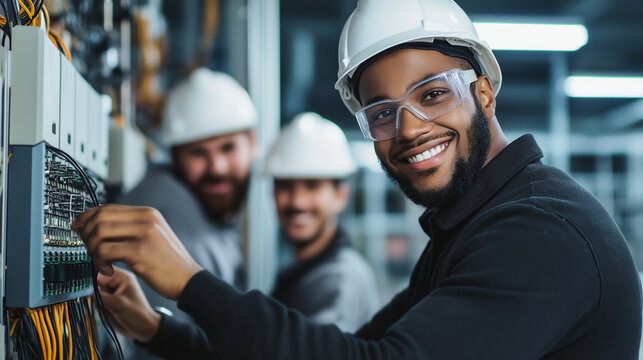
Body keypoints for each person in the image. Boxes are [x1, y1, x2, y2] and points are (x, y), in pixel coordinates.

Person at [76, 0, 642, 358]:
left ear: (484, 92)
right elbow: (354, 349)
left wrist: (191, 284)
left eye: (433, 94)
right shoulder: (471, 230)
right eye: (381, 112)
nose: (410, 128)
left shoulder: (540, 234)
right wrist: (159, 329)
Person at [112, 68, 257, 357]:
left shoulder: (205, 214)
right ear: (175, 157)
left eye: (228, 148)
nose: (217, 167)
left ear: (253, 144)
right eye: (198, 153)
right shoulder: (172, 217)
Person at [266, 112, 379, 332]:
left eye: (312, 186)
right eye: (286, 187)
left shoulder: (339, 281)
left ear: (340, 196)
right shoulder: (308, 273)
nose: (297, 202)